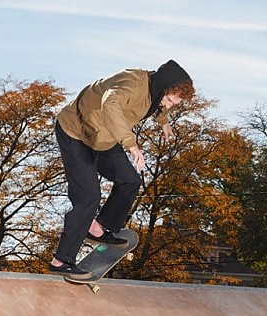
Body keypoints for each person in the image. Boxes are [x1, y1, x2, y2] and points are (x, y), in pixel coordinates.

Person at [49, 60, 195, 279]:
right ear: (164, 88)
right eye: (171, 100)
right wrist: (131, 144)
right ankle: (61, 260)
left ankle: (97, 228)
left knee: (130, 181)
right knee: (88, 197)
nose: (170, 105)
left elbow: (157, 105)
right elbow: (110, 104)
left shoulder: (156, 93)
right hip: (76, 133)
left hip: (103, 138)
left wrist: (164, 122)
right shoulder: (133, 84)